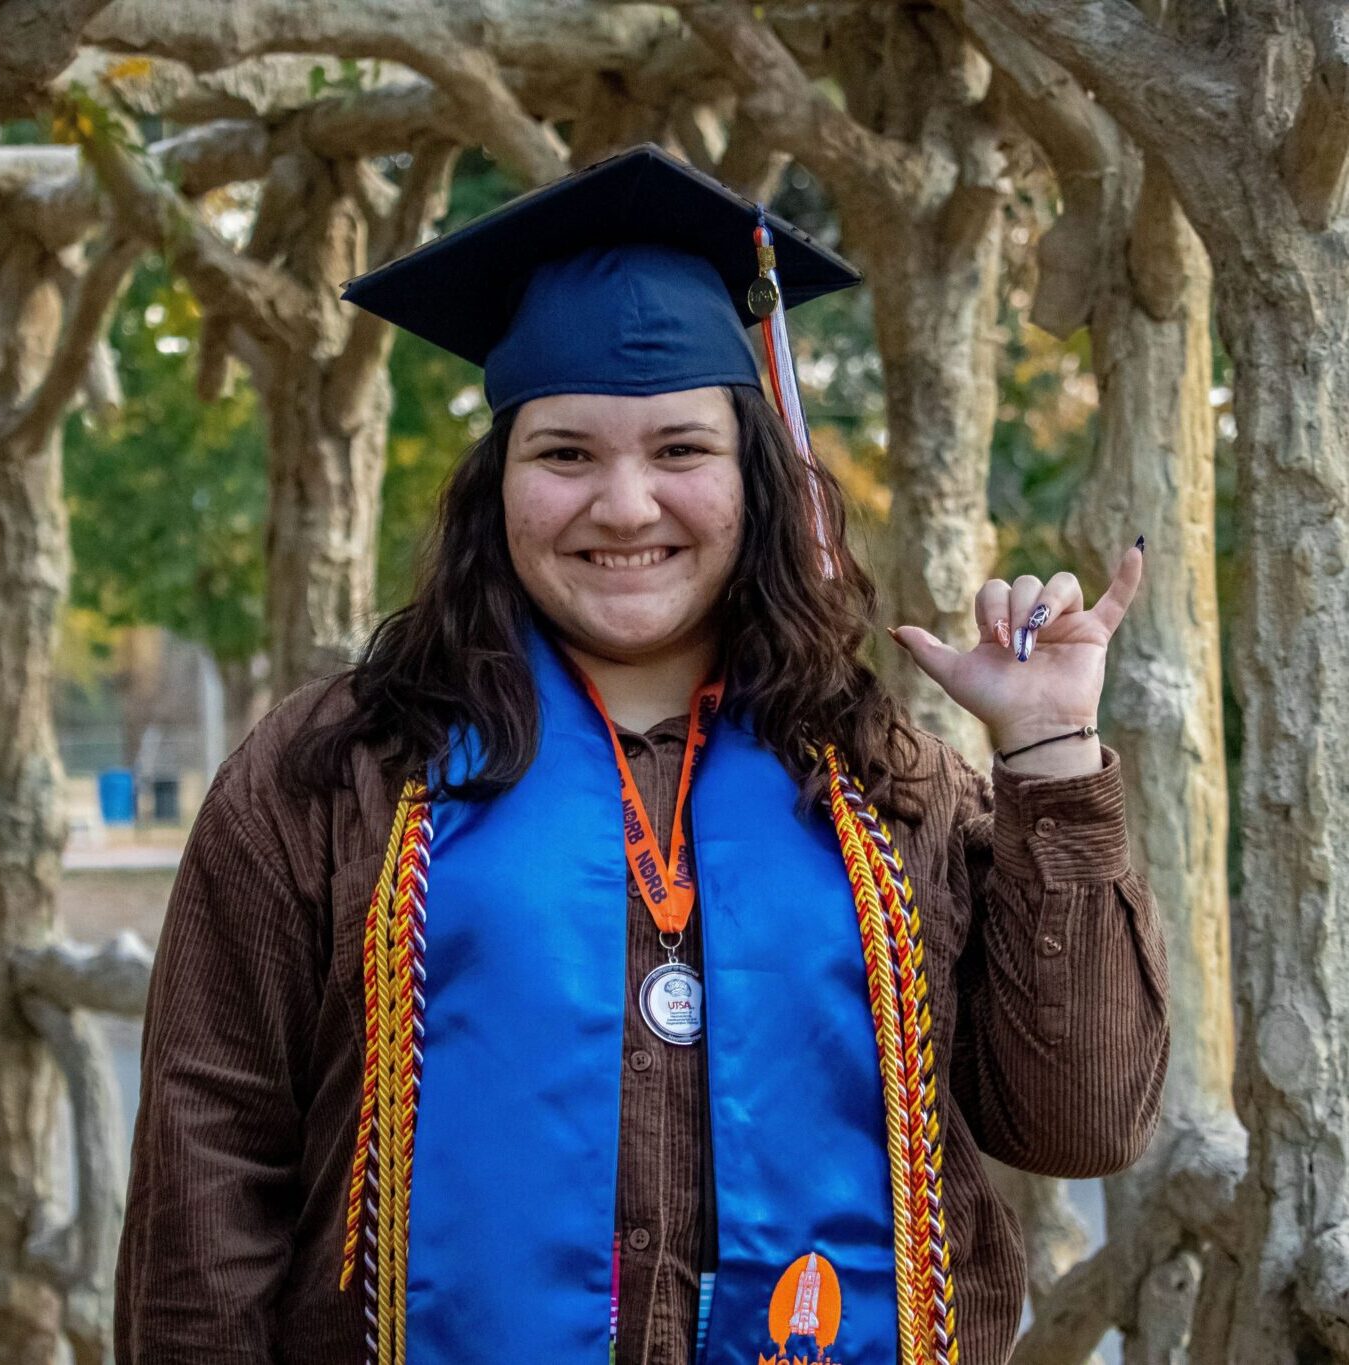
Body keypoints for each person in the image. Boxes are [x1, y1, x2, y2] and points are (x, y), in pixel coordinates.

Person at [114, 145, 1169, 1365]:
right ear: (495, 483)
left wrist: (1047, 754)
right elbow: (211, 1168)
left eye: (680, 451)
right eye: (565, 453)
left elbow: (1080, 1122)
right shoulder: (335, 773)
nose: (624, 507)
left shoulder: (886, 784)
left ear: (754, 480)